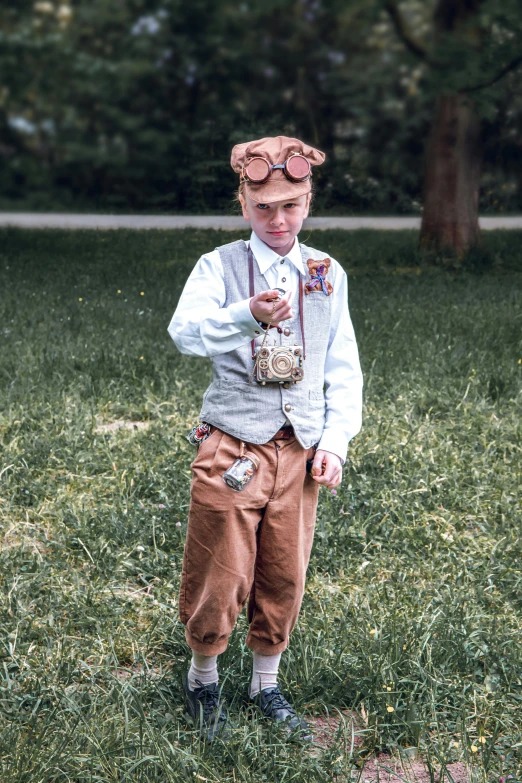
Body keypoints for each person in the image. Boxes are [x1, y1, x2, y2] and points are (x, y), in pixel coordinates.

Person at [167, 135, 363, 742]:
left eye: (292, 205)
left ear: (309, 201)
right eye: (264, 208)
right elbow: (186, 333)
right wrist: (246, 314)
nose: (278, 220)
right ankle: (203, 677)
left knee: (284, 569)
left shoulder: (326, 273)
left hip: (298, 449)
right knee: (221, 568)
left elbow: (342, 364)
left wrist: (333, 441)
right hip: (234, 443)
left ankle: (265, 681)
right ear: (243, 204)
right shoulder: (218, 266)